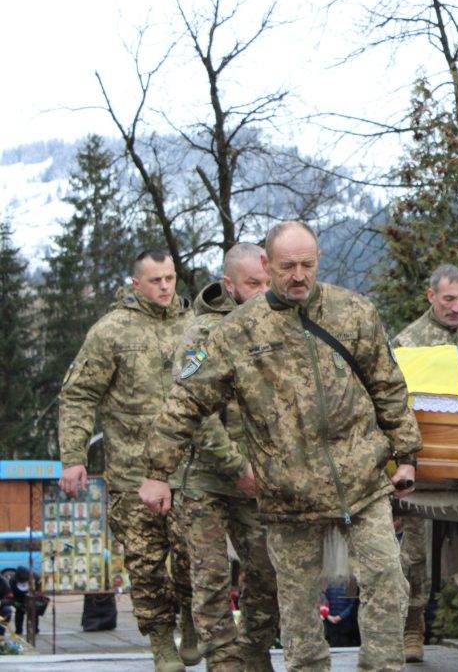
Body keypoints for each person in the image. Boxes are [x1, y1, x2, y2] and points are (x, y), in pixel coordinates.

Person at [138, 221, 420, 672]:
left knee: (387, 579)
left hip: (361, 480)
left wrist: (406, 455)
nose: (298, 275)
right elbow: (187, 400)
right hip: (288, 493)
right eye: (287, 266)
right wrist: (156, 470)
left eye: (307, 265)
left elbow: (387, 385)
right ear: (267, 266)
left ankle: (382, 667)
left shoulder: (353, 313)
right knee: (297, 603)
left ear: (318, 261)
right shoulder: (237, 332)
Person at [58, 250, 199, 671]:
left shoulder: (193, 327)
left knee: (194, 556)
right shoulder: (111, 332)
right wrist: (73, 456)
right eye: (155, 280)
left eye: (170, 278)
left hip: (189, 469)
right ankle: (161, 642)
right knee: (146, 564)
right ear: (136, 283)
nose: (165, 287)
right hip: (131, 474)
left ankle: (191, 616)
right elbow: (80, 393)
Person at [173, 243, 280, 672]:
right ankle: (223, 659)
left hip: (260, 476)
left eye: (266, 283)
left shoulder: (278, 327)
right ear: (229, 283)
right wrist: (236, 466)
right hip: (206, 478)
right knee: (212, 576)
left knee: (267, 572)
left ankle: (254, 651)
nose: (261, 292)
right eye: (253, 284)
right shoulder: (201, 334)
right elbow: (194, 409)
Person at [391, 263, 458, 666]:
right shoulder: (408, 341)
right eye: (449, 299)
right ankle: (412, 625)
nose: (457, 308)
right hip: (424, 458)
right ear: (430, 296)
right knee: (417, 547)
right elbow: (393, 402)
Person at [321, 579, 360, 648]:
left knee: (346, 648)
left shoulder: (350, 582)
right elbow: (322, 600)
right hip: (330, 625)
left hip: (347, 625)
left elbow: (353, 604)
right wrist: (328, 616)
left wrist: (340, 617)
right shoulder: (326, 581)